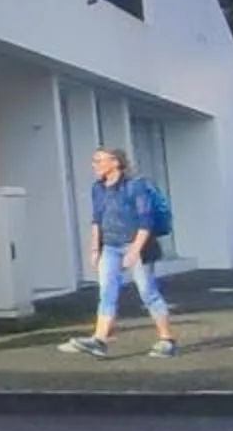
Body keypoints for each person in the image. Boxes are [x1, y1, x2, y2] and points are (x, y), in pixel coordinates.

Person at [65, 146, 179, 358]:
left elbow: (146, 220)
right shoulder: (97, 188)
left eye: (99, 161)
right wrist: (94, 249)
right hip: (110, 246)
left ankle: (167, 340)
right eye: (94, 161)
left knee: (147, 292)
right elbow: (97, 219)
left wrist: (135, 250)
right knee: (106, 293)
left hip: (136, 245)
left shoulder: (135, 186)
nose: (94, 165)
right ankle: (99, 340)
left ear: (115, 162)